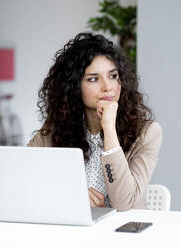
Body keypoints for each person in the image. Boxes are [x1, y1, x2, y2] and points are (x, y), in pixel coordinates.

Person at [28, 32, 162, 211]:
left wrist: (109, 130)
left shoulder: (147, 133)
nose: (108, 87)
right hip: (71, 231)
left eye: (113, 76)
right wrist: (73, 194)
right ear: (74, 87)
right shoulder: (54, 131)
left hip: (122, 233)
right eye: (93, 79)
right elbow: (25, 182)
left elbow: (124, 203)